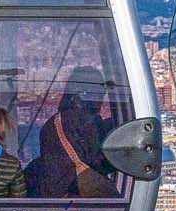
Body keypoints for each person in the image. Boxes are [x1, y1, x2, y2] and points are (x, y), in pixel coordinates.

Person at [26, 70, 118, 199]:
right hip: (75, 196)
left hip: (51, 194)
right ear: (84, 94)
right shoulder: (85, 122)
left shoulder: (53, 122)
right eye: (100, 94)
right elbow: (97, 162)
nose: (101, 101)